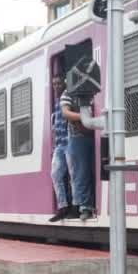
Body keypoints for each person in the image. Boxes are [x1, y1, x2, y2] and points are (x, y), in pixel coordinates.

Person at [60, 83, 96, 221]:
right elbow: (66, 112)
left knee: (94, 171)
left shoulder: (93, 88)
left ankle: (92, 205)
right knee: (81, 173)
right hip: (78, 137)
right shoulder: (68, 92)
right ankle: (85, 207)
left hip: (95, 134)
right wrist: (84, 117)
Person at [48, 76, 74, 222]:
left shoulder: (66, 98)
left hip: (69, 142)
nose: (56, 86)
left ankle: (74, 206)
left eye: (58, 83)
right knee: (55, 174)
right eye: (54, 84)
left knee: (73, 175)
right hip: (59, 145)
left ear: (64, 83)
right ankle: (63, 207)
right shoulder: (57, 102)